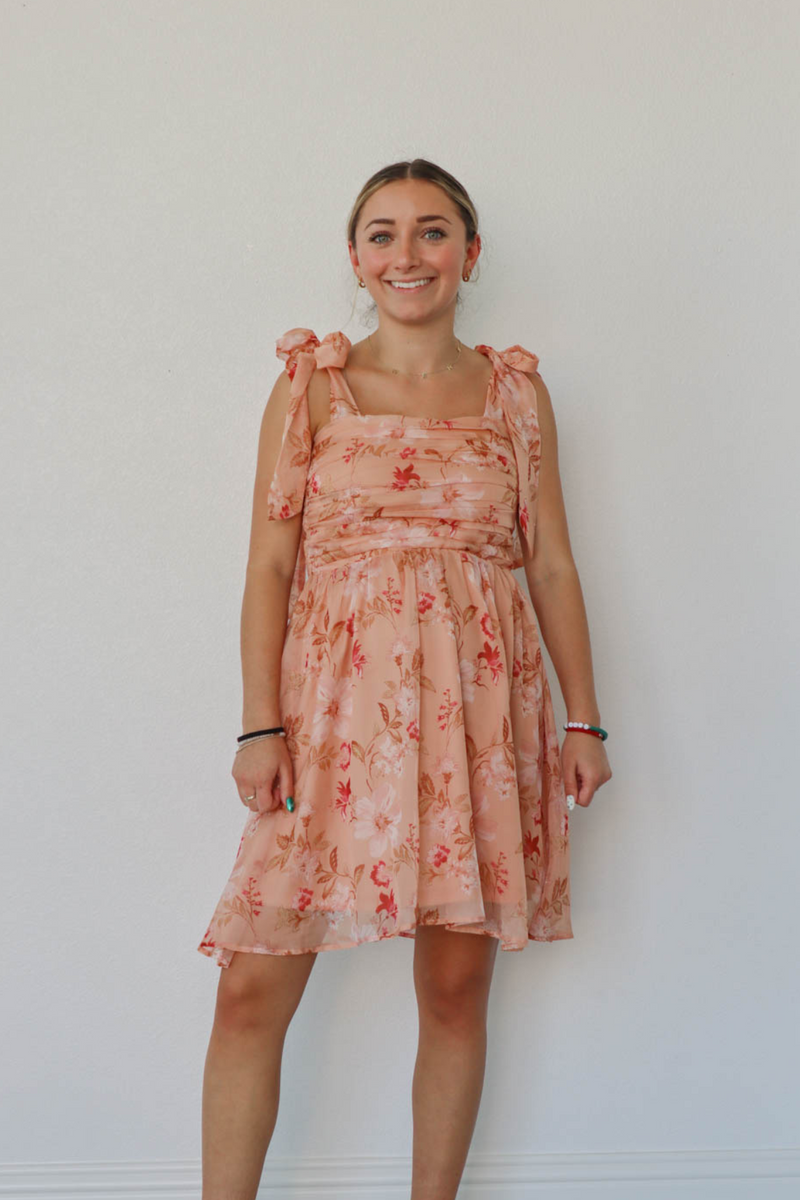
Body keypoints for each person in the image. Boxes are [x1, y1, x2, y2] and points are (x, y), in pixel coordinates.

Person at [197, 158, 612, 1200]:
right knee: (250, 988)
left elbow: (551, 562)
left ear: (468, 255)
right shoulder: (309, 387)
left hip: (476, 707)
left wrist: (584, 721)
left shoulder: (515, 394)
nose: (406, 253)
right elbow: (269, 567)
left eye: (432, 231)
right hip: (331, 713)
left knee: (455, 983)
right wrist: (259, 727)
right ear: (354, 258)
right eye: (381, 233)